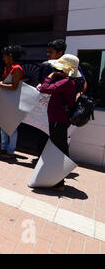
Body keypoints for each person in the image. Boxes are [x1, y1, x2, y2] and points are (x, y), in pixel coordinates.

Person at [37, 54, 82, 191]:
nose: (58, 71)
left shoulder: (66, 82)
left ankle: (58, 184)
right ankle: (58, 181)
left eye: (60, 69)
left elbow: (44, 88)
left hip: (58, 121)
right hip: (60, 120)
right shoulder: (70, 82)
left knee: (58, 152)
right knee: (60, 150)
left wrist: (50, 76)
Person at [0, 45, 25, 159]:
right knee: (3, 127)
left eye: (4, 56)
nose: (3, 58)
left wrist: (0, 85)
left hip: (13, 102)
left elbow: (14, 87)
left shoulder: (16, 68)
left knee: (12, 128)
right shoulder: (8, 67)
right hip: (6, 101)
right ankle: (3, 148)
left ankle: (10, 151)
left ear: (10, 56)